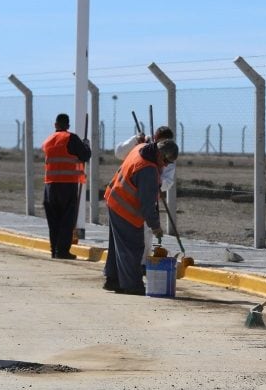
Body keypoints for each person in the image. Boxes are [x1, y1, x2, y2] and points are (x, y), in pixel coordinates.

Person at [103, 139, 179, 295]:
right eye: (165, 161)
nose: (165, 165)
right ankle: (132, 285)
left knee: (117, 246)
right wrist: (156, 226)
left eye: (168, 163)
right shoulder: (148, 170)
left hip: (115, 199)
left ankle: (113, 280)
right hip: (125, 208)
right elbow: (147, 205)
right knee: (132, 247)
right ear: (159, 153)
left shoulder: (141, 147)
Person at [115, 125, 177, 265]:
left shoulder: (169, 155)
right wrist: (134, 140)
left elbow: (168, 181)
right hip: (128, 198)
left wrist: (155, 183)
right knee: (130, 234)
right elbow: (119, 153)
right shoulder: (141, 146)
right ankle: (130, 265)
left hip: (148, 197)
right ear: (155, 139)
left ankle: (142, 264)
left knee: (147, 232)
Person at [41, 113, 91, 260]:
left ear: (55, 125)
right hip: (67, 184)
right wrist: (86, 144)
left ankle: (54, 250)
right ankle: (62, 251)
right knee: (66, 219)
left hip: (50, 185)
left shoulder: (48, 140)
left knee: (53, 220)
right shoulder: (71, 138)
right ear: (68, 126)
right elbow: (85, 155)